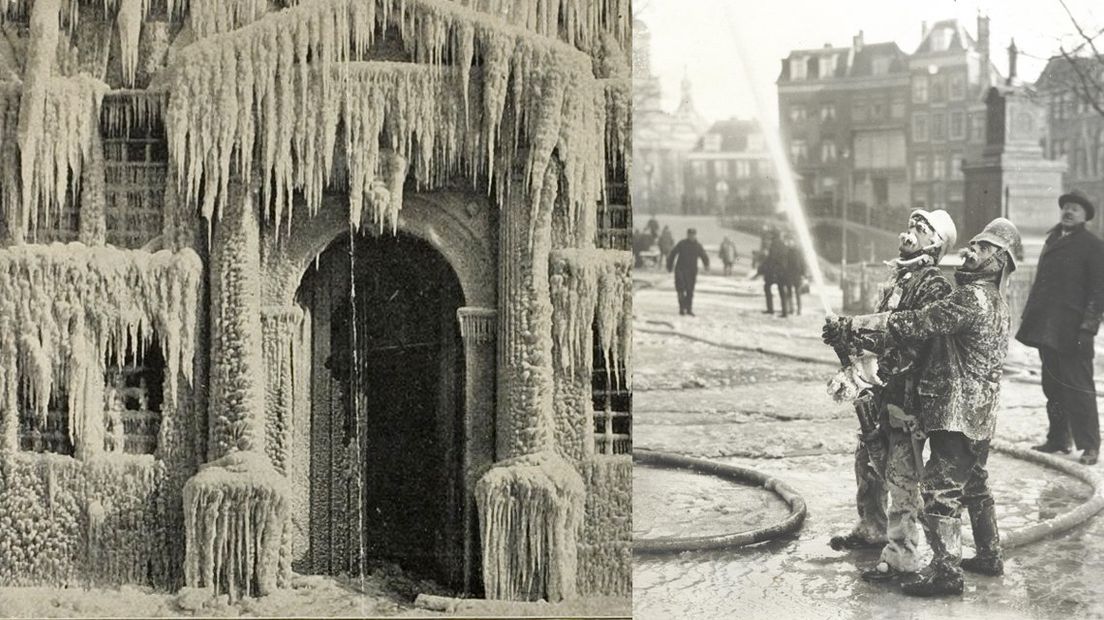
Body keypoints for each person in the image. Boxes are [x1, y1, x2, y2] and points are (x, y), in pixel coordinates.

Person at [828, 217, 1021, 596]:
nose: (969, 251)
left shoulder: (970, 297)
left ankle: (946, 575)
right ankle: (988, 555)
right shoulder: (996, 300)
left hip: (957, 411)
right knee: (975, 483)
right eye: (971, 245)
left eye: (979, 248)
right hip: (981, 413)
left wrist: (853, 327)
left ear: (998, 260)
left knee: (939, 490)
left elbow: (917, 323)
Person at [822, 209, 957, 583]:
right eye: (912, 225)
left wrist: (866, 354)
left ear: (937, 243)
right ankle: (871, 526)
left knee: (900, 475)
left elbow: (911, 338)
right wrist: (849, 340)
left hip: (906, 398)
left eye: (921, 228)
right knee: (867, 460)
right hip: (882, 391)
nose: (909, 232)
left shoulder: (933, 285)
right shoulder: (899, 277)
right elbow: (883, 330)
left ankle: (902, 555)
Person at [1017, 190, 1104, 466]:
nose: (1068, 211)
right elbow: (1042, 283)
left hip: (1076, 331)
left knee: (1079, 388)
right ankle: (1059, 439)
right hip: (1049, 329)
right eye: (1066, 207)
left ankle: (1090, 445)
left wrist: (1088, 327)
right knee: (1051, 386)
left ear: (1085, 217)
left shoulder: (1092, 245)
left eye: (1075, 209)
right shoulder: (1053, 239)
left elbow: (1099, 291)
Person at [667, 228, 710, 316]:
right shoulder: (682, 244)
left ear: (695, 235)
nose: (691, 236)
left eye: (693, 235)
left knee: (690, 290)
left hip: (692, 271)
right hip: (680, 270)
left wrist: (706, 265)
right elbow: (673, 253)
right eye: (690, 235)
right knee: (680, 289)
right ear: (687, 235)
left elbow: (704, 256)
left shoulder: (697, 246)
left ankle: (689, 309)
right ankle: (682, 308)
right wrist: (670, 265)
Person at [753, 229, 786, 315]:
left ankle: (770, 309)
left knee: (767, 287)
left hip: (774, 271)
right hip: (782, 271)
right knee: (781, 290)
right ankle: (785, 311)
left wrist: (764, 268)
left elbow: (771, 258)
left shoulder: (774, 245)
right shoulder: (783, 245)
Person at [781, 232, 806, 316]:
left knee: (797, 293)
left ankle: (799, 309)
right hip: (790, 274)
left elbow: (802, 263)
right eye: (789, 241)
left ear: (794, 241)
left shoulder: (797, 251)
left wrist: (803, 274)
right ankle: (791, 308)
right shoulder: (788, 251)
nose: (790, 242)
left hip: (796, 275)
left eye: (791, 241)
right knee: (790, 292)